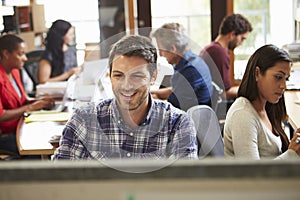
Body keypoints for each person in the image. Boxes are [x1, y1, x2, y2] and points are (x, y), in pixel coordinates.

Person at [52, 35, 198, 160]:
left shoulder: (177, 124)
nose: (126, 86)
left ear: (153, 77)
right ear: (109, 75)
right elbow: (59, 182)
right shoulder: (83, 120)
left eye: (136, 76)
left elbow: (186, 188)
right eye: (118, 75)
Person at [224, 44, 300, 159]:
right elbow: (253, 174)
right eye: (278, 77)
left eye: (286, 79)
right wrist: (291, 153)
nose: (284, 86)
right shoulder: (242, 115)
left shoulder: (268, 106)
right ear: (257, 73)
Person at [0, 34, 55, 156]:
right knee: (39, 144)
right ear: (6, 54)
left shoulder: (14, 72)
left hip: (19, 126)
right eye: (21, 54)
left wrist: (38, 102)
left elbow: (22, 99)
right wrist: (30, 107)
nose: (25, 58)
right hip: (5, 134)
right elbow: (1, 115)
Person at [150, 23, 213, 112]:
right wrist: (152, 93)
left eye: (161, 50)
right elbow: (175, 90)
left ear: (173, 49)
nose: (160, 54)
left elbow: (172, 105)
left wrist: (148, 100)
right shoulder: (194, 61)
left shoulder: (189, 71)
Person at [200, 14, 253, 100]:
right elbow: (224, 94)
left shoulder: (210, 49)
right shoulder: (219, 53)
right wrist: (251, 90)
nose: (241, 43)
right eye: (242, 39)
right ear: (232, 34)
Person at [39, 19, 81, 84]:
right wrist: (67, 74)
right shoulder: (49, 54)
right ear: (61, 36)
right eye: (70, 34)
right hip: (56, 89)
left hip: (72, 86)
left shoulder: (71, 50)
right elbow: (43, 81)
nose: (73, 37)